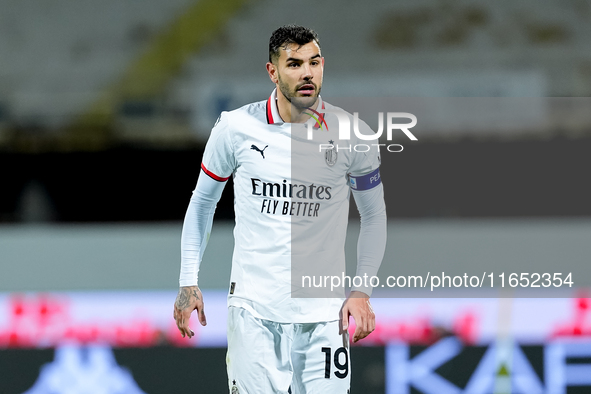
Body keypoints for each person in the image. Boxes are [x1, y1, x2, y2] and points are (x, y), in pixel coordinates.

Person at [173, 24, 387, 393]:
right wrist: (187, 280)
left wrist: (362, 291)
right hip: (255, 312)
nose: (307, 73)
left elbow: (374, 215)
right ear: (272, 71)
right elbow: (203, 201)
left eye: (314, 62)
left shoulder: (353, 134)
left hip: (324, 316)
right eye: (294, 64)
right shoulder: (236, 128)